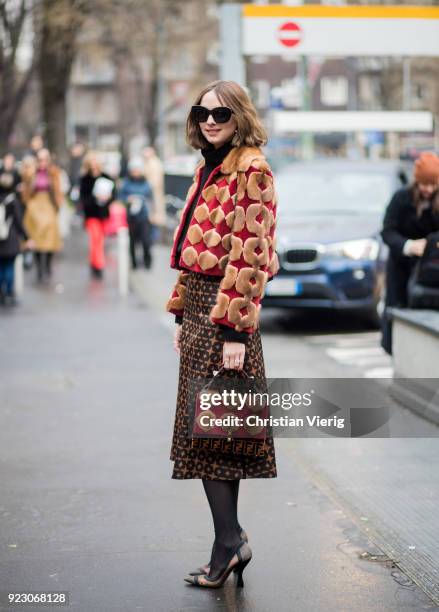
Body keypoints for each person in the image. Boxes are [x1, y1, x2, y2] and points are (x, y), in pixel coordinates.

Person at [165, 80, 279, 589]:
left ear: (240, 116)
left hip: (224, 317)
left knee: (213, 435)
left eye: (221, 113)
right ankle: (227, 543)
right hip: (200, 313)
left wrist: (234, 328)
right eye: (202, 112)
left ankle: (229, 544)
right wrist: (179, 313)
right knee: (216, 434)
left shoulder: (252, 168)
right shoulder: (207, 166)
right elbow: (193, 248)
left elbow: (252, 252)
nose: (210, 120)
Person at [380, 151, 439, 354]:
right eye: (424, 184)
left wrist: (432, 245)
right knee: (398, 319)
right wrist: (408, 245)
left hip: (431, 274)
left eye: (433, 185)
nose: (428, 190)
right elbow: (387, 231)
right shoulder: (401, 198)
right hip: (401, 269)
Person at [21, 148, 63, 282]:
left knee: (50, 237)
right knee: (36, 239)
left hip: (48, 204)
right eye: (40, 159)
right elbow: (25, 188)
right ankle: (39, 268)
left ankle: (48, 265)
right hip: (35, 205)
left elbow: (58, 190)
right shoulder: (31, 172)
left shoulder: (53, 173)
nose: (42, 162)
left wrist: (57, 204)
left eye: (45, 159)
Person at [79, 152, 114, 278]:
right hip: (91, 214)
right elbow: (83, 199)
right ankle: (98, 265)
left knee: (100, 240)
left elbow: (113, 196)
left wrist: (108, 198)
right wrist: (95, 197)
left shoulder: (106, 177)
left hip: (103, 214)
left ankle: (94, 263)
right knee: (95, 239)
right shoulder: (85, 179)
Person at [118, 157, 154, 269]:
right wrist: (128, 200)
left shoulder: (146, 183)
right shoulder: (126, 183)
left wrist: (151, 211)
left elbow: (151, 198)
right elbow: (120, 197)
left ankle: (147, 261)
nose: (135, 172)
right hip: (131, 216)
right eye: (133, 170)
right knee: (132, 241)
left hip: (144, 215)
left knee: (146, 240)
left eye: (137, 169)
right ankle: (134, 263)